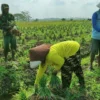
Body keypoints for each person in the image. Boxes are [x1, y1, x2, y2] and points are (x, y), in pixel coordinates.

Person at [90, 2, 100, 70]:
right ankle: (90, 65)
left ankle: (99, 64)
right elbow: (94, 25)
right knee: (93, 51)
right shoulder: (95, 14)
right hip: (96, 37)